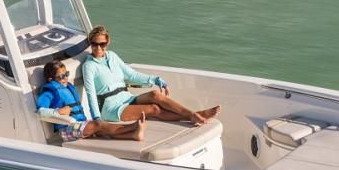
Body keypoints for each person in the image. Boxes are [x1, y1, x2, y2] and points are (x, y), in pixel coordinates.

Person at [81, 25, 220, 127]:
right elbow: (90, 93)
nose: (98, 48)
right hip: (111, 108)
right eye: (94, 44)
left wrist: (154, 79)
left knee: (155, 94)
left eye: (102, 44)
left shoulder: (113, 57)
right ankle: (195, 114)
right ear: (90, 43)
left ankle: (193, 114)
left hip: (126, 97)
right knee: (154, 109)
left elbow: (131, 75)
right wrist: (97, 118)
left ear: (108, 43)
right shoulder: (89, 66)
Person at [37, 60, 145, 142]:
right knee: (98, 125)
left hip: (79, 124)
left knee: (102, 131)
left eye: (66, 74)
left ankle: (133, 135)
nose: (65, 78)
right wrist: (59, 112)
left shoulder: (67, 87)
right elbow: (40, 112)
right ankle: (132, 127)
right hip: (65, 130)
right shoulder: (49, 92)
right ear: (50, 80)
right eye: (61, 76)